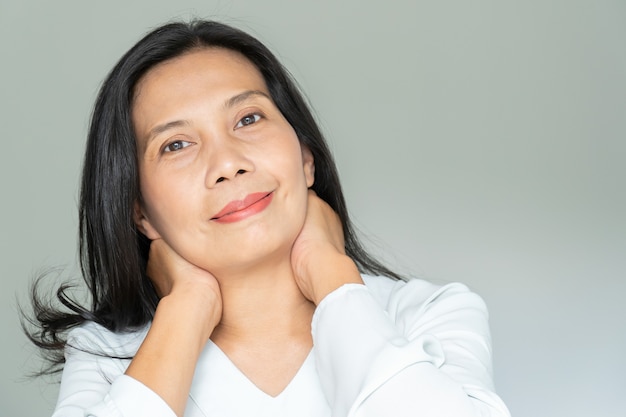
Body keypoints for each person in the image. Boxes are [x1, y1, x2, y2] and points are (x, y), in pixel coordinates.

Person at [24, 20, 510, 417]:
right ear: (140, 212)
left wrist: (333, 276)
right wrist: (185, 310)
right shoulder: (106, 357)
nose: (227, 163)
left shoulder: (430, 315)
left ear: (305, 155)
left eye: (248, 119)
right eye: (176, 145)